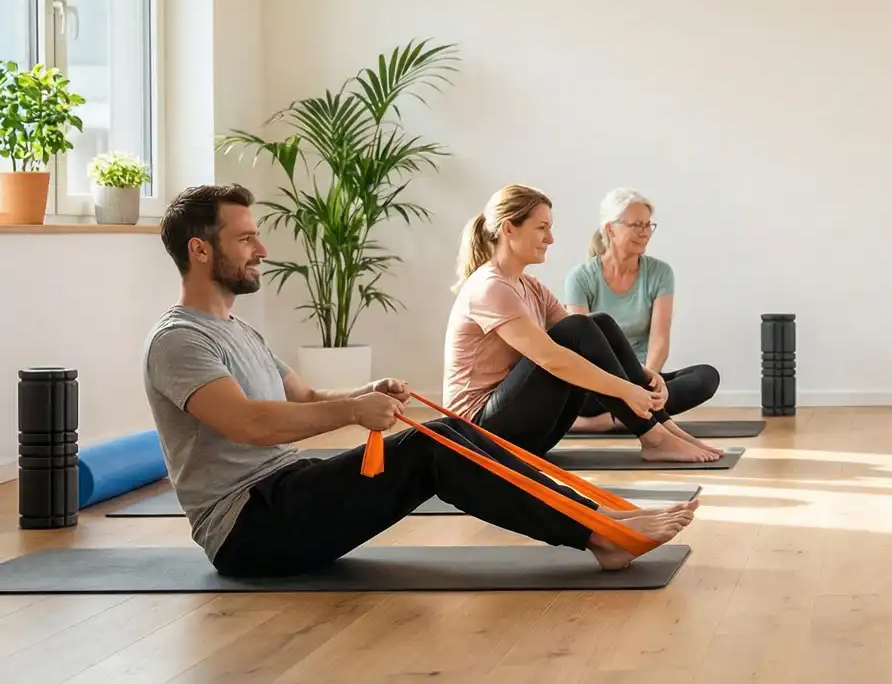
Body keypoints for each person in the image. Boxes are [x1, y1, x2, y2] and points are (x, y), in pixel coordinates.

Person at [140, 184, 696, 577]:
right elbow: (249, 423)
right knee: (432, 448)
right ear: (200, 249)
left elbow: (305, 397)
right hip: (248, 526)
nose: (261, 249)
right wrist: (354, 413)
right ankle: (600, 534)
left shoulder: (237, 330)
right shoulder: (181, 341)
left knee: (452, 434)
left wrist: (366, 396)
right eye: (245, 239)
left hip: (289, 489)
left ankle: (598, 515)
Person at [443, 184, 722, 463]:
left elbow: (590, 340)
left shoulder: (530, 287)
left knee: (596, 322)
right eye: (542, 228)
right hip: (477, 437)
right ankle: (654, 437)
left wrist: (643, 375)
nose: (550, 238)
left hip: (523, 433)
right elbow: (554, 358)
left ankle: (664, 429)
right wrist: (628, 390)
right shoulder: (490, 287)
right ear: (508, 229)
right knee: (579, 327)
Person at [561, 188, 721, 434]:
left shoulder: (660, 273)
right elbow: (582, 347)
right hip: (600, 385)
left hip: (643, 377)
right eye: (636, 225)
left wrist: (647, 383)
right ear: (610, 229)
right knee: (571, 395)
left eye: (648, 225)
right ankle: (613, 417)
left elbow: (660, 339)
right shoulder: (581, 277)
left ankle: (620, 417)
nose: (645, 232)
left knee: (706, 376)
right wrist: (623, 390)